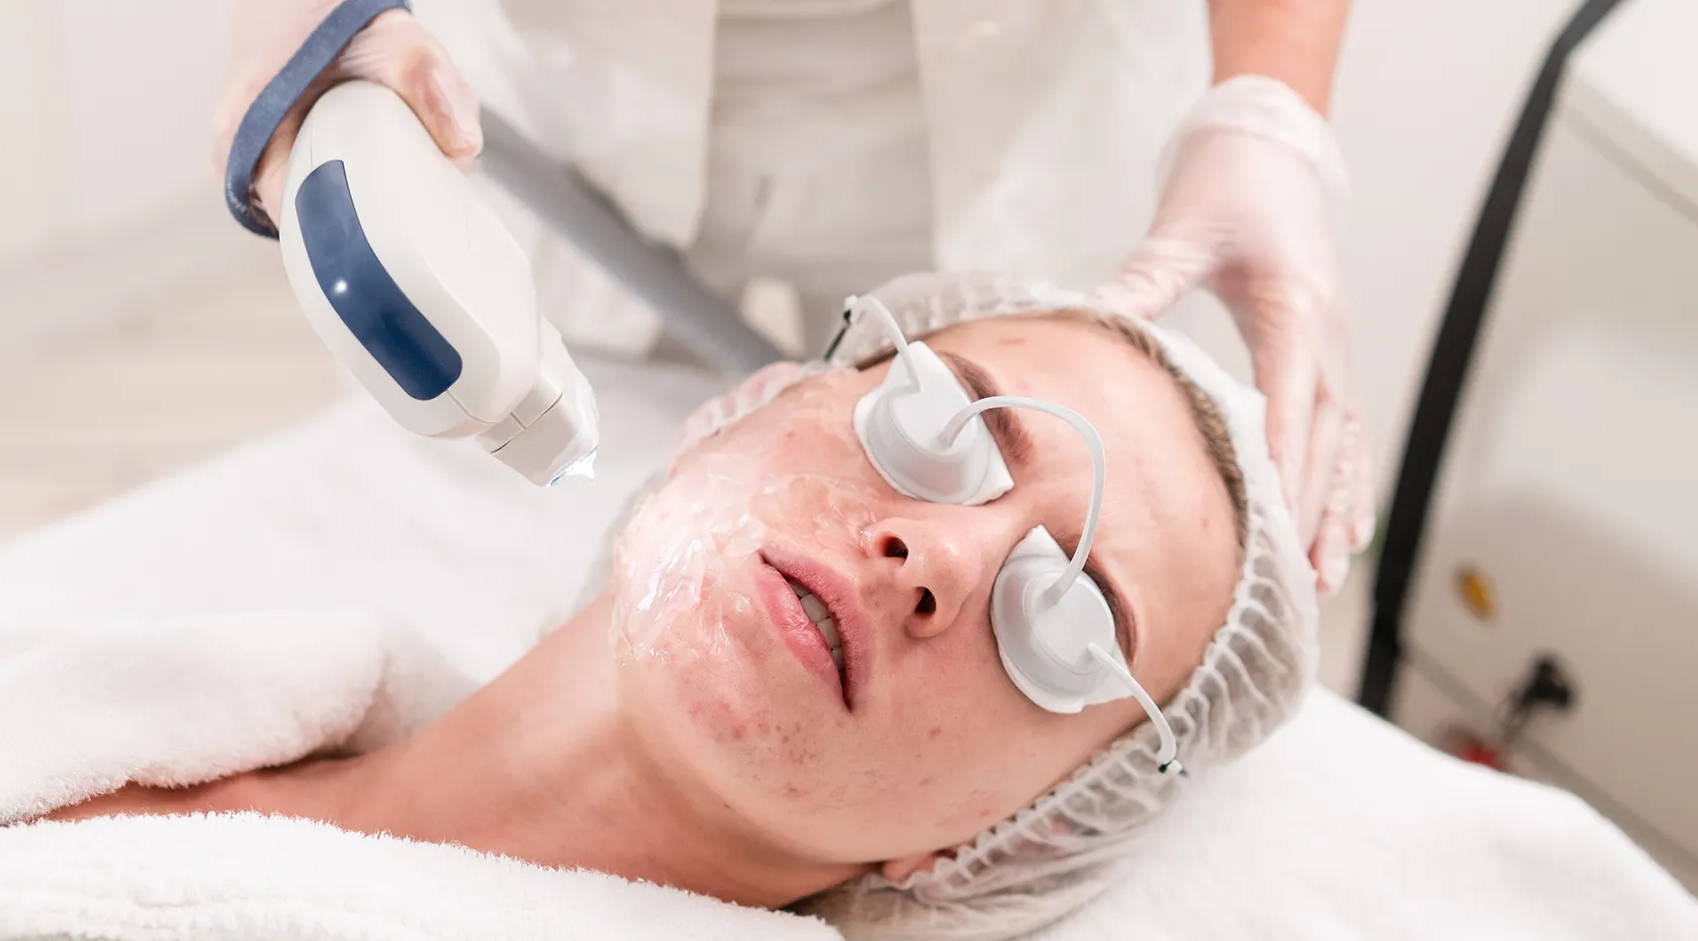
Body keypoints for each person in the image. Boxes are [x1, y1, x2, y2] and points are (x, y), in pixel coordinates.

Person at [50, 273, 1315, 941]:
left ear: (1006, 837)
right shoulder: (107, 709)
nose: (941, 552)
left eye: (1067, 624)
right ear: (752, 401)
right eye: (949, 423)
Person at [214, 0, 1371, 595]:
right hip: (582, 97)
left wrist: (1270, 104)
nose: (918, 573)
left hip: (1003, 104)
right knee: (525, 483)